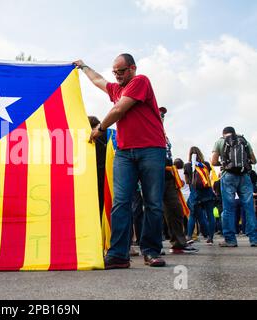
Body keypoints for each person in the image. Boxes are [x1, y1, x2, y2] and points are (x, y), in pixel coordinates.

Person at [74, 54, 167, 269]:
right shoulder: (116, 89)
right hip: (124, 153)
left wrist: (100, 129)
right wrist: (84, 66)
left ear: (132, 68)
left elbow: (118, 110)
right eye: (114, 72)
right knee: (121, 202)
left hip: (151, 149)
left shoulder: (140, 81)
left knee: (152, 202)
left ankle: (151, 251)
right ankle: (118, 254)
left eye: (121, 71)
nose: (117, 76)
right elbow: (98, 80)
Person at [159, 108, 198, 254]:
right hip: (153, 174)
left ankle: (179, 242)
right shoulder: (148, 130)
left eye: (163, 115)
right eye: (159, 114)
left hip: (169, 175)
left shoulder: (164, 135)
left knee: (175, 209)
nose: (162, 117)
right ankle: (152, 245)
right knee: (153, 209)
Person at [211, 127, 257, 247]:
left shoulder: (220, 142)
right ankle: (254, 239)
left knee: (228, 209)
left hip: (228, 177)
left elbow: (213, 161)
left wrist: (226, 163)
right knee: (249, 208)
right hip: (244, 176)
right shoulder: (244, 140)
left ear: (223, 133)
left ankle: (230, 240)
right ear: (234, 132)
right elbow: (254, 160)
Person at [184, 147, 216, 245]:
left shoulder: (188, 165)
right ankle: (210, 238)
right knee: (210, 215)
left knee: (192, 215)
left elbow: (186, 181)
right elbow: (207, 179)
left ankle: (189, 236)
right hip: (207, 192)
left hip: (195, 193)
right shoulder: (205, 164)